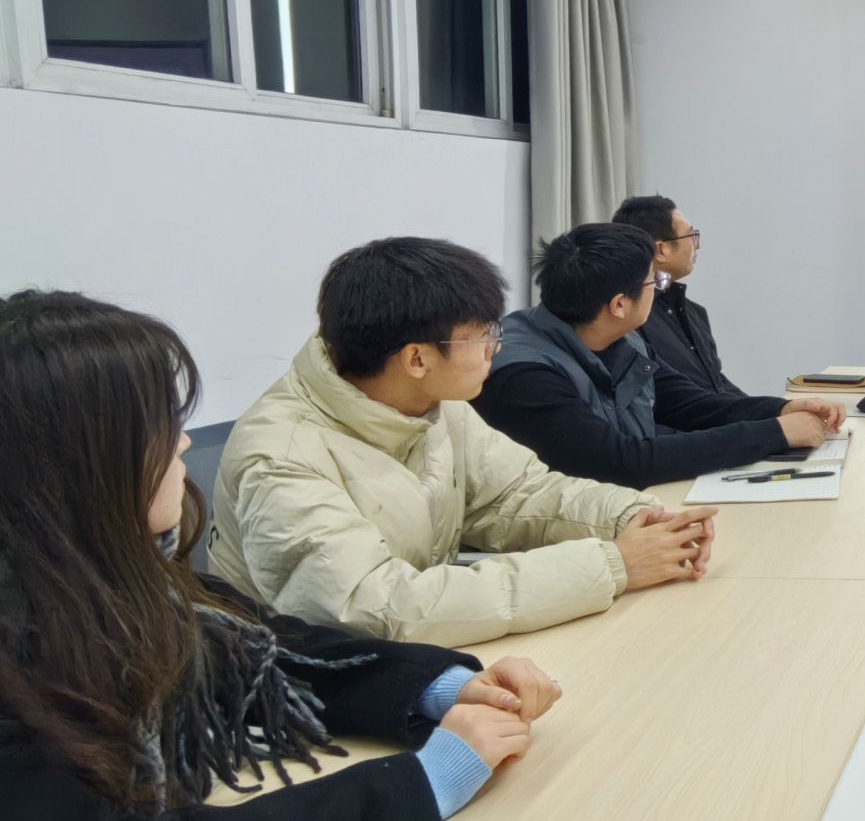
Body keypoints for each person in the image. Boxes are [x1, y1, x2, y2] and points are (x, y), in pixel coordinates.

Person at [0, 290, 562, 821]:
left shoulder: (105, 577)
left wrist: (438, 689)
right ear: (77, 462)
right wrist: (422, 784)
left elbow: (265, 647)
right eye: (161, 425)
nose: (184, 442)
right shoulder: (26, 638)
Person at [212, 237, 714, 648]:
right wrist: (613, 564)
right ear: (417, 359)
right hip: (301, 687)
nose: (497, 346)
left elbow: (518, 495)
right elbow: (377, 609)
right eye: (482, 335)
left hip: (416, 659)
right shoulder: (281, 456)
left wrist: (634, 518)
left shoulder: (434, 403)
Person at [472, 223, 844, 488]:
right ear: (619, 304)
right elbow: (619, 462)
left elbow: (687, 404)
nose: (660, 289)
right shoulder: (523, 375)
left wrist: (781, 409)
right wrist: (775, 433)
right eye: (655, 281)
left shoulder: (621, 339)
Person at [614, 193, 768, 405]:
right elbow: (667, 401)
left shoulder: (694, 312)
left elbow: (717, 385)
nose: (697, 246)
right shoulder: (630, 320)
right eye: (691, 236)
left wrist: (776, 411)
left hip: (718, 420)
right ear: (661, 250)